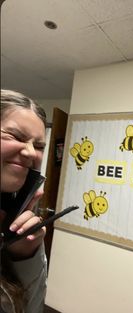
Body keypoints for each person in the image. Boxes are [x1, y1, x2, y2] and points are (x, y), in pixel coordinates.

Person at [0, 89, 47, 313]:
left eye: (39, 146)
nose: (30, 152)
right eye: (15, 136)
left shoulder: (21, 215)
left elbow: (31, 308)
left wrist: (25, 256)